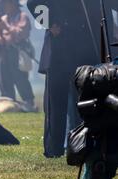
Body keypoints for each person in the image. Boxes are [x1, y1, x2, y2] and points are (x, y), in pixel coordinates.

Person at [27, 0, 118, 158]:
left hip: (87, 50)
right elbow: (34, 3)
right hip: (59, 49)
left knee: (84, 103)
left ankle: (82, 145)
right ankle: (53, 149)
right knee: (56, 105)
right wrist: (49, 23)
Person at [0, 0, 35, 110]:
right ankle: (9, 102)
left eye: (7, 3)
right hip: (5, 53)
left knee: (20, 78)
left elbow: (21, 33)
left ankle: (29, 102)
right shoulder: (3, 18)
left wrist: (6, 27)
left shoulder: (22, 17)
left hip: (17, 53)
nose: (5, 6)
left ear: (14, 4)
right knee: (5, 78)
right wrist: (0, 38)